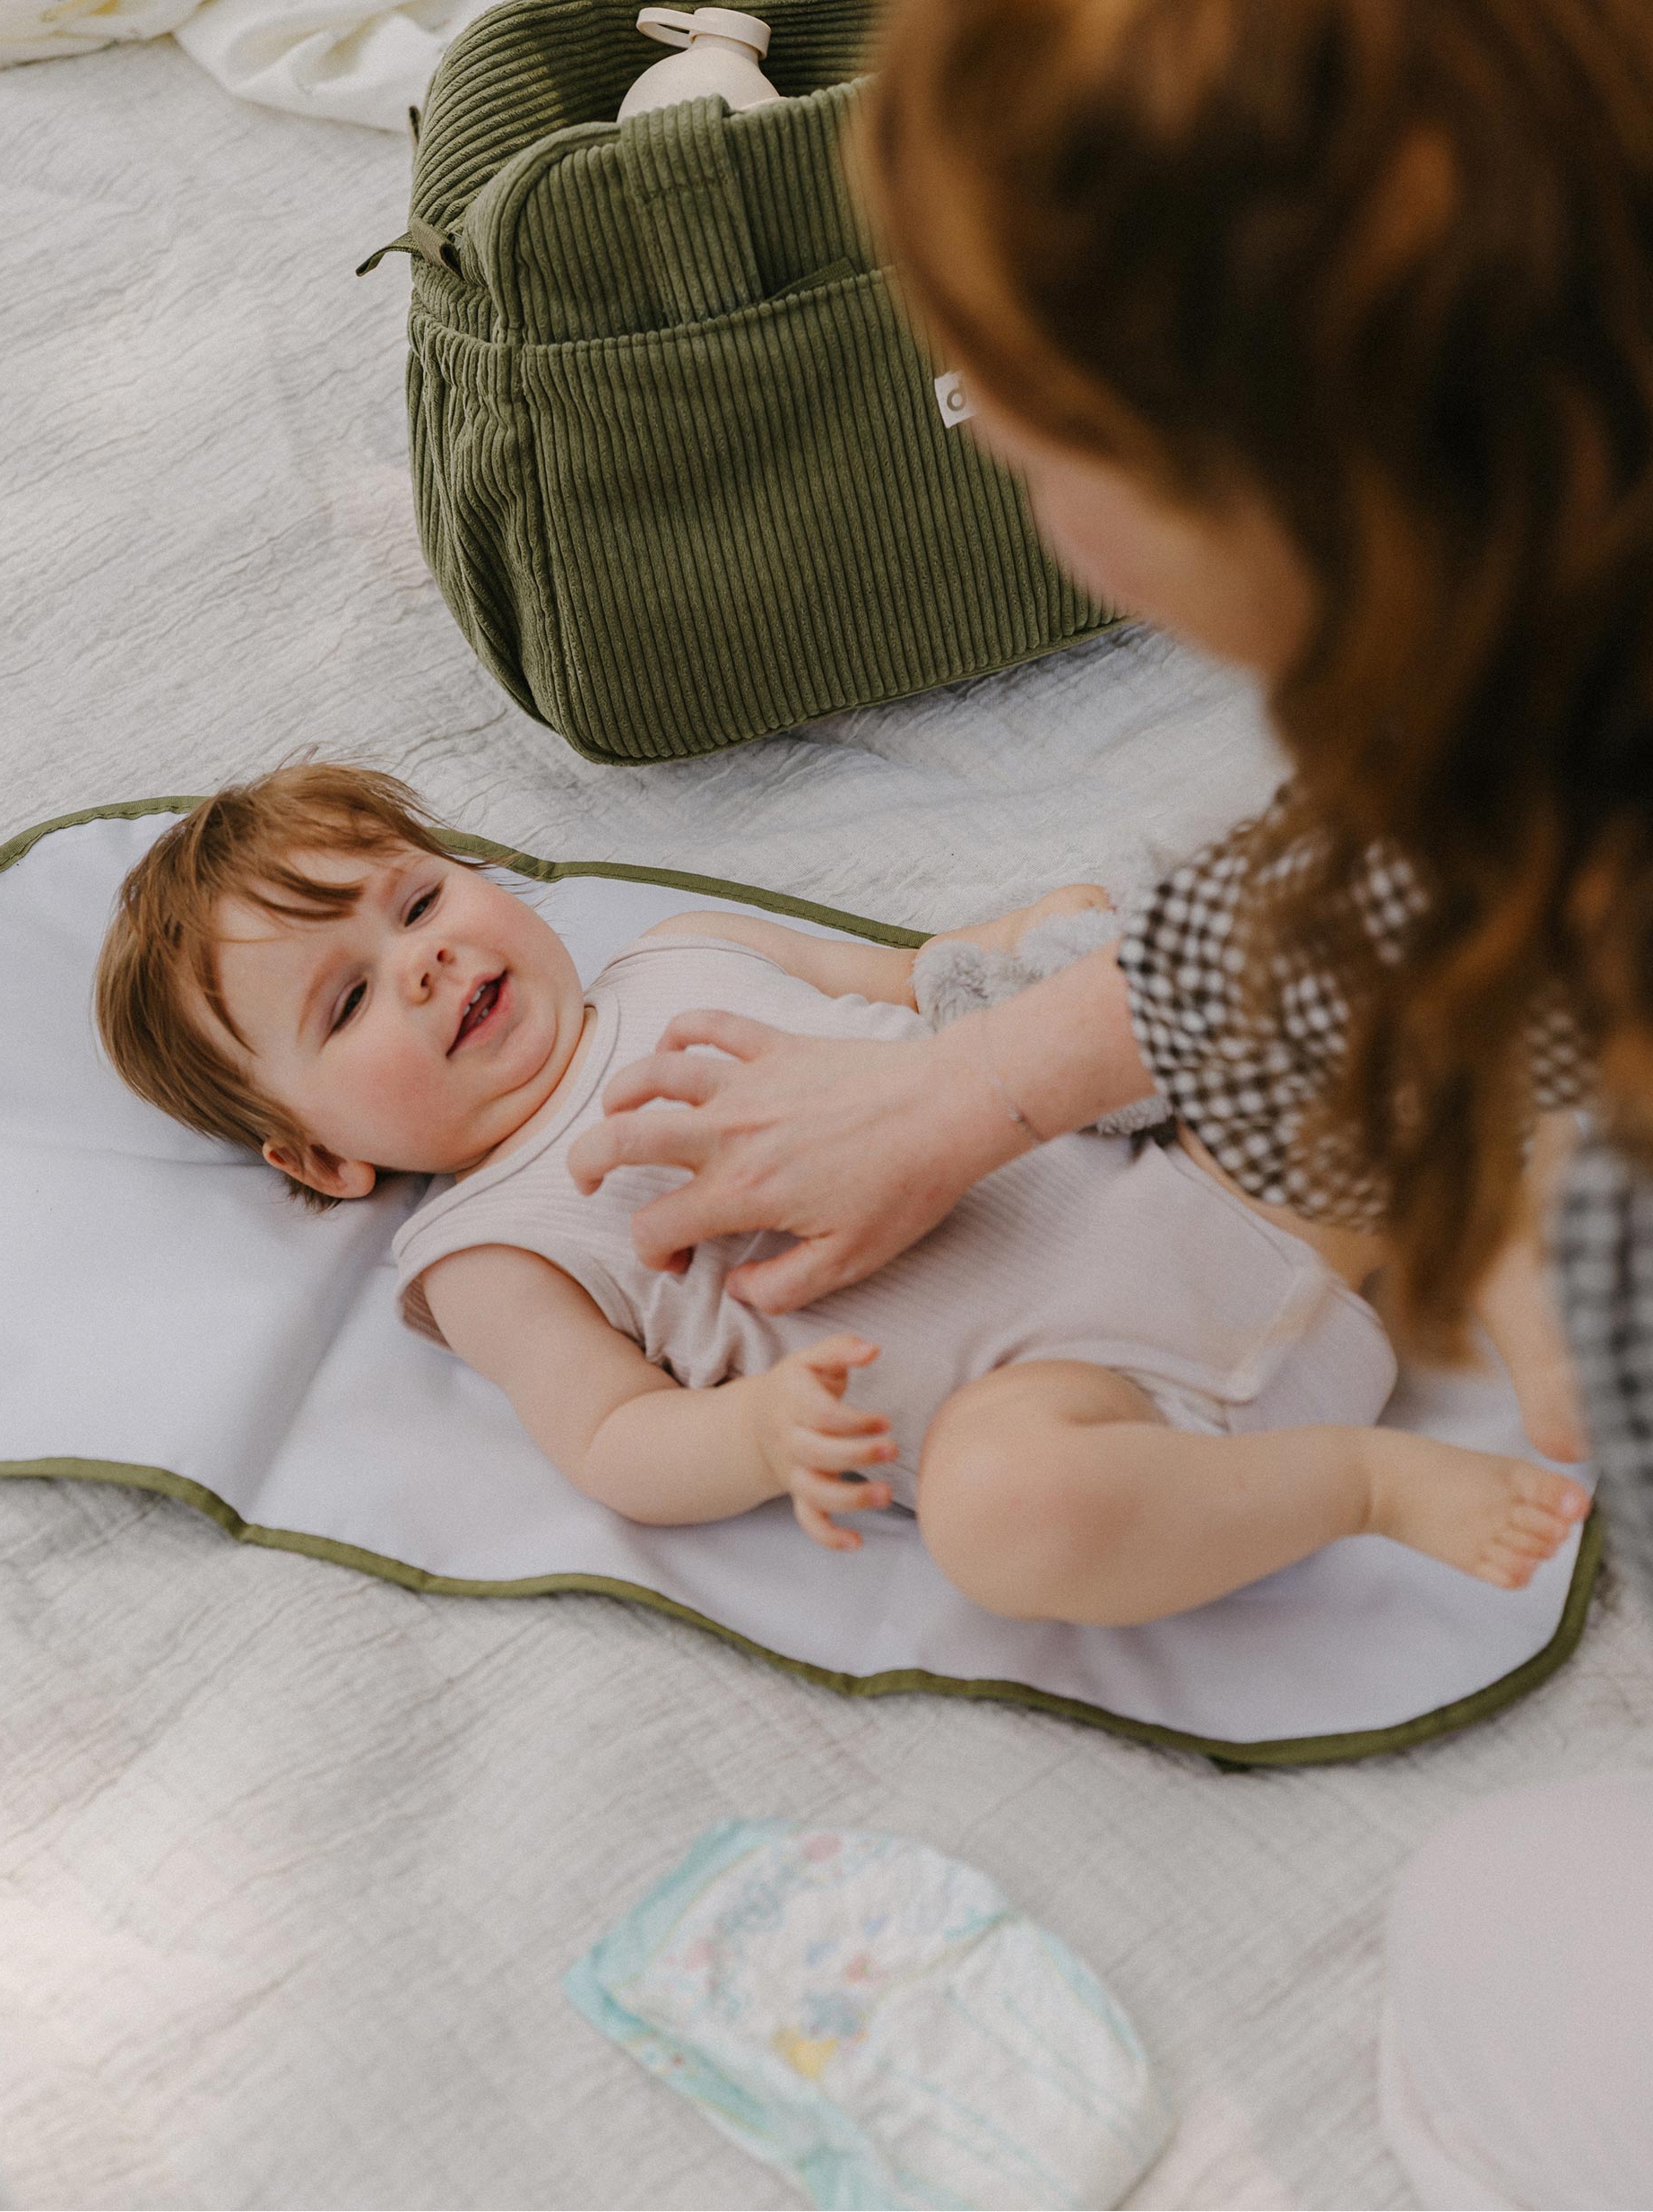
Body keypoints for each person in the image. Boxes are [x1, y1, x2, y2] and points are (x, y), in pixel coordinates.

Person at [557, 2, 1653, 2199]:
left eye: (996, 412)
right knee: (1012, 1499)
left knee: (1469, 1956)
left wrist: (955, 1037)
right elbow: (1368, 881)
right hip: (1114, 1323)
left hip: (1276, 1266)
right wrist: (965, 1077)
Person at [91, 761, 1588, 1624]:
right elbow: (610, 1435)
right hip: (1095, 1408)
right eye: (347, 1003)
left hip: (1203, 1176)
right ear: (322, 1157)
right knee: (1001, 1520)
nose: (418, 957)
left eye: (418, 898)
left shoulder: (678, 950)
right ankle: (1368, 1485)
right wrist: (750, 1430)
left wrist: (1026, 940)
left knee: (1349, 1026)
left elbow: (925, 982)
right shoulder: (484, 1244)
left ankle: (1522, 1280)